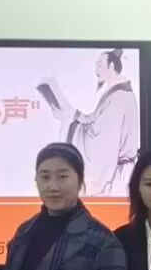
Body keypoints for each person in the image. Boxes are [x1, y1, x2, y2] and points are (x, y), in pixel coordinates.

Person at [0, 143, 128, 270]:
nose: (53, 186)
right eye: (45, 177)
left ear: (80, 181)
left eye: (63, 176)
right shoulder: (24, 233)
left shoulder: (103, 241)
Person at [39, 50, 139, 195]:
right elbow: (96, 122)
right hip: (118, 173)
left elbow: (101, 138)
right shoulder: (117, 94)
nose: (96, 70)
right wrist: (73, 115)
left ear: (111, 66)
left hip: (117, 177)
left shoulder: (119, 98)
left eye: (99, 65)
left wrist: (71, 123)